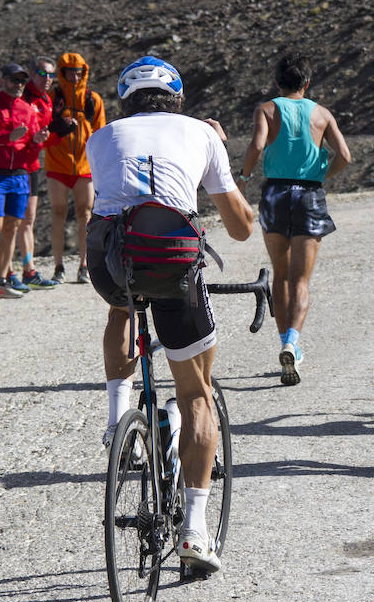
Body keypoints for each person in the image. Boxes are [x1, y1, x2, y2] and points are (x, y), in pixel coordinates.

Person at [85, 56, 255, 573]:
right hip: (174, 263)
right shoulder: (201, 134)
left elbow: (119, 192)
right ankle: (196, 532)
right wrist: (217, 151)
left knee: (122, 306)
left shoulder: (102, 136)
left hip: (111, 262)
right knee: (196, 392)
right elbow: (242, 227)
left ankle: (119, 419)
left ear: (126, 101)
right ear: (177, 98)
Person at [236, 54, 352, 385]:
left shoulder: (267, 109)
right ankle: (292, 343)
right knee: (301, 280)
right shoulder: (322, 114)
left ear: (277, 83)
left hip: (274, 194)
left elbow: (257, 144)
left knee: (280, 276)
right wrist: (322, 175)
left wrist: (243, 178)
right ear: (307, 83)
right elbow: (344, 156)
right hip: (308, 195)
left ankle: (283, 342)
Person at [0, 63, 44, 301]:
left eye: (22, 81)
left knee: (12, 228)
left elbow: (31, 144)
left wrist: (38, 140)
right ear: (2, 81)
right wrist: (6, 138)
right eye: (14, 80)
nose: (19, 85)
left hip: (21, 176)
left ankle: (0, 283)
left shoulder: (27, 109)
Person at [44, 51, 107, 284]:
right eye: (70, 71)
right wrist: (59, 127)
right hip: (57, 165)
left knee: (86, 214)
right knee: (58, 213)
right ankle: (58, 266)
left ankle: (84, 265)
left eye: (78, 71)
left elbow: (101, 133)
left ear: (84, 72)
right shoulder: (51, 98)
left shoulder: (93, 99)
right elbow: (42, 131)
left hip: (84, 167)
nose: (74, 75)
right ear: (62, 72)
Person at [6, 56, 61, 291]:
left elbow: (43, 136)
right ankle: (6, 271)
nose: (46, 78)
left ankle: (28, 271)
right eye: (42, 73)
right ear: (32, 73)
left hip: (32, 165)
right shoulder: (22, 97)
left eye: (51, 75)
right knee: (11, 222)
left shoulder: (46, 100)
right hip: (13, 166)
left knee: (28, 220)